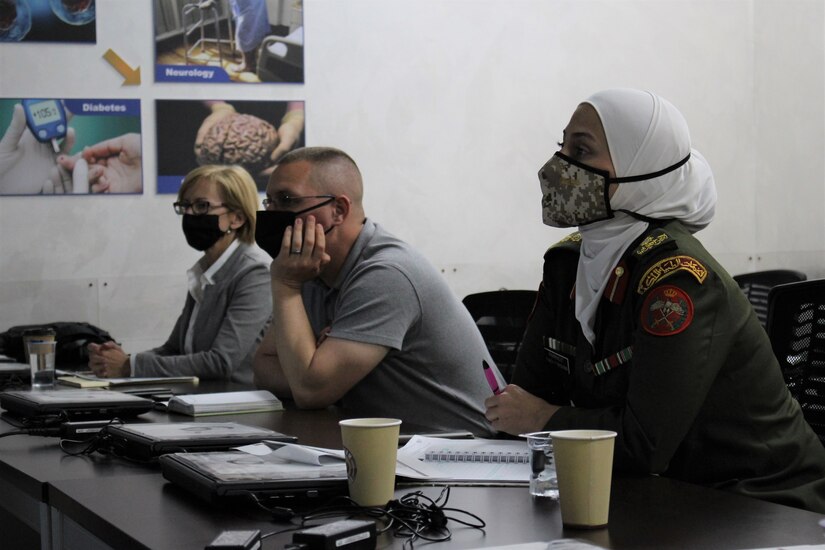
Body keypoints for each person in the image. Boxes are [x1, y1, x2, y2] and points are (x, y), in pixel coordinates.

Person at [484, 88, 825, 512]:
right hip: (661, 492)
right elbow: (525, 397)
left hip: (760, 499)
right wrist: (527, 414)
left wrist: (540, 419)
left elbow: (644, 444)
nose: (559, 166)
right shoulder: (568, 263)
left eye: (582, 150)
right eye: (562, 146)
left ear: (639, 168)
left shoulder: (679, 279)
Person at [253, 146, 500, 436]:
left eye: (286, 200)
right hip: (387, 445)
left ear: (339, 210)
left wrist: (286, 287)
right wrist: (309, 372)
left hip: (459, 456)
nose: (272, 213)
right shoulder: (313, 270)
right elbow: (263, 367)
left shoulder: (386, 274)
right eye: (270, 202)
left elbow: (310, 391)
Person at [88, 164, 271, 384]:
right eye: (185, 206)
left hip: (238, 405)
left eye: (202, 206)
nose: (191, 214)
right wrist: (118, 360)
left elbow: (221, 362)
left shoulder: (255, 274)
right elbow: (174, 350)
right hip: (201, 400)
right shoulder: (205, 271)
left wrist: (129, 367)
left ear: (237, 218)